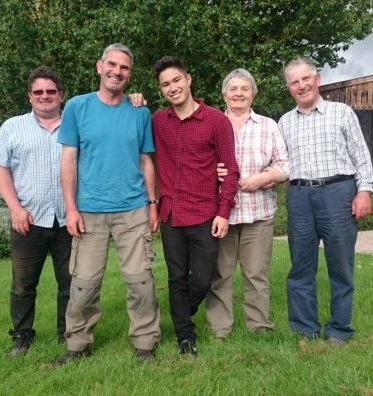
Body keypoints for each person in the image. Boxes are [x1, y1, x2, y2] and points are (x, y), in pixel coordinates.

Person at [53, 43, 161, 365]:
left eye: (124, 67)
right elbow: (68, 161)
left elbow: (146, 160)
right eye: (111, 65)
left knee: (141, 281)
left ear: (130, 74)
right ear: (99, 66)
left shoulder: (139, 111)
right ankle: (77, 344)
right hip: (89, 212)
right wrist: (70, 208)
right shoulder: (76, 107)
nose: (117, 71)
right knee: (83, 284)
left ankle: (145, 343)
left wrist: (153, 203)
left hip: (133, 209)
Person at [279, 57, 373, 345]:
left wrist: (364, 190)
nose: (301, 85)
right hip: (299, 196)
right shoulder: (284, 122)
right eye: (294, 82)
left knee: (341, 266)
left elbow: (361, 155)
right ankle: (305, 329)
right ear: (289, 88)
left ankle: (338, 330)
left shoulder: (341, 112)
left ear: (317, 79)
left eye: (305, 78)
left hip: (338, 192)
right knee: (301, 267)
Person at [152, 56, 239, 355]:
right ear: (161, 90)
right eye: (165, 84)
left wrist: (223, 212)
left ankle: (180, 314)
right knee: (176, 277)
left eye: (176, 80)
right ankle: (184, 336)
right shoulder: (157, 122)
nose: (172, 87)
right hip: (171, 214)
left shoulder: (216, 120)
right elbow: (128, 119)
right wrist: (134, 101)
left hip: (204, 214)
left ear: (188, 79)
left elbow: (231, 170)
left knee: (201, 280)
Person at [0, 66, 72, 357]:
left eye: (51, 91)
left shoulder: (75, 125)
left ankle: (67, 334)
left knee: (70, 282)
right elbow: (0, 169)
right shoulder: (12, 127)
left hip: (68, 219)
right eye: (38, 92)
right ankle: (22, 336)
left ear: (61, 94)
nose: (45, 96)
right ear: (29, 96)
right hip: (29, 219)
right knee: (23, 285)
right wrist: (15, 209)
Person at [205, 68, 289, 337]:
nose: (239, 93)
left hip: (259, 213)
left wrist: (263, 178)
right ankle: (220, 327)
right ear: (224, 94)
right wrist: (212, 172)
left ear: (253, 94)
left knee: (256, 274)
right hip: (221, 214)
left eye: (244, 89)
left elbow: (284, 166)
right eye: (233, 89)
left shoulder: (268, 126)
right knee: (220, 274)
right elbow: (196, 163)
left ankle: (259, 325)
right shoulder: (212, 123)